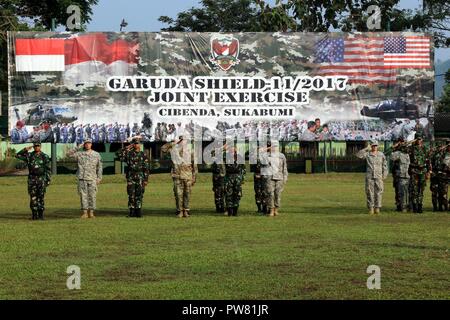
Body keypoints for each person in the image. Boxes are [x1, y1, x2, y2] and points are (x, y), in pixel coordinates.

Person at [67, 138, 102, 219]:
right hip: (82, 178)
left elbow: (99, 167)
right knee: (83, 196)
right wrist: (78, 147)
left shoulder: (96, 154)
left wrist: (99, 178)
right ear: (84, 144)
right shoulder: (80, 154)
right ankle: (85, 213)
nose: (87, 145)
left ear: (91, 144)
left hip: (92, 178)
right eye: (86, 143)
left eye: (89, 143)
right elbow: (68, 154)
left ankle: (91, 212)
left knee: (92, 196)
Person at [163, 136, 198, 217]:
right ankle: (180, 211)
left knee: (187, 194)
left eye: (184, 140)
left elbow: (195, 167)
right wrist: (173, 143)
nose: (183, 142)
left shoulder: (191, 152)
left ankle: (186, 210)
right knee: (178, 194)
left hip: (188, 175)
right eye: (181, 140)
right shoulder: (174, 150)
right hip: (177, 175)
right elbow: (163, 149)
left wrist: (194, 178)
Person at [16, 142, 51, 220]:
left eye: (38, 146)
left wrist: (48, 180)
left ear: (40, 146)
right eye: (35, 146)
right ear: (33, 147)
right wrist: (25, 149)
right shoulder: (30, 155)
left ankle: (41, 215)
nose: (36, 147)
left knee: (41, 197)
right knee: (33, 197)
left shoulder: (44, 156)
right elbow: (17, 155)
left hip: (41, 179)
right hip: (32, 179)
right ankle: (34, 215)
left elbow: (48, 169)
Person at [116, 137, 150, 217]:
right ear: (133, 144)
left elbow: (146, 168)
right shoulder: (129, 154)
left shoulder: (143, 154)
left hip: (140, 177)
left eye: (137, 143)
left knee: (139, 194)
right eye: (134, 143)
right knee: (131, 194)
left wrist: (146, 179)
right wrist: (127, 147)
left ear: (140, 144)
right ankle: (131, 211)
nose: (136, 145)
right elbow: (118, 154)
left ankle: (138, 211)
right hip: (131, 177)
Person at [356, 140, 388, 215]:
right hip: (370, 176)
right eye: (373, 145)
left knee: (379, 192)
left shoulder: (381, 154)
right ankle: (371, 207)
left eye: (376, 145)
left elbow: (385, 165)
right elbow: (358, 155)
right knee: (370, 192)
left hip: (379, 176)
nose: (375, 147)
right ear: (371, 146)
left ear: (378, 146)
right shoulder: (368, 154)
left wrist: (384, 175)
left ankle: (377, 207)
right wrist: (366, 148)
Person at [261, 141, 288, 216]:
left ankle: (276, 209)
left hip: (279, 177)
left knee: (278, 194)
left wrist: (285, 177)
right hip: (269, 177)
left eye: (276, 146)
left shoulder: (281, 156)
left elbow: (284, 168)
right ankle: (271, 209)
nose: (274, 148)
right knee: (270, 193)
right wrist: (267, 149)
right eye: (273, 146)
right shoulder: (266, 155)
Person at [407, 135, 430, 213]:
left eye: (420, 139)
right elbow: (403, 147)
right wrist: (411, 142)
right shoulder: (411, 148)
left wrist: (428, 172)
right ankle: (414, 207)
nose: (419, 140)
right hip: (414, 171)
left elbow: (428, 161)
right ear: (415, 139)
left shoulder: (425, 149)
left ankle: (420, 207)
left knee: (421, 190)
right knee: (414, 190)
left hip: (423, 171)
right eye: (418, 139)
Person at [224, 145, 246, 216]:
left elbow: (243, 169)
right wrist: (222, 149)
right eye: (231, 148)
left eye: (234, 148)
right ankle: (229, 212)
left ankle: (235, 212)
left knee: (237, 194)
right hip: (228, 177)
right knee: (228, 194)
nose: (232, 149)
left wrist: (242, 178)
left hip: (237, 178)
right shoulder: (225, 156)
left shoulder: (239, 157)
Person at [390, 142, 410, 213]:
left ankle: (409, 206)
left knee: (409, 192)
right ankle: (403, 207)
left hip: (410, 176)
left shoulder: (410, 154)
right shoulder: (399, 154)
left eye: (406, 147)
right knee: (401, 192)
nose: (406, 148)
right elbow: (392, 157)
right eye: (404, 147)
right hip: (401, 176)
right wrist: (394, 149)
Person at [430, 140, 449, 212]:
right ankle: (435, 207)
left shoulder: (445, 154)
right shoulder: (433, 154)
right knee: (434, 192)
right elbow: (429, 161)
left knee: (442, 192)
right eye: (439, 147)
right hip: (434, 175)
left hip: (442, 175)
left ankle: (442, 207)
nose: (440, 148)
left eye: (441, 147)